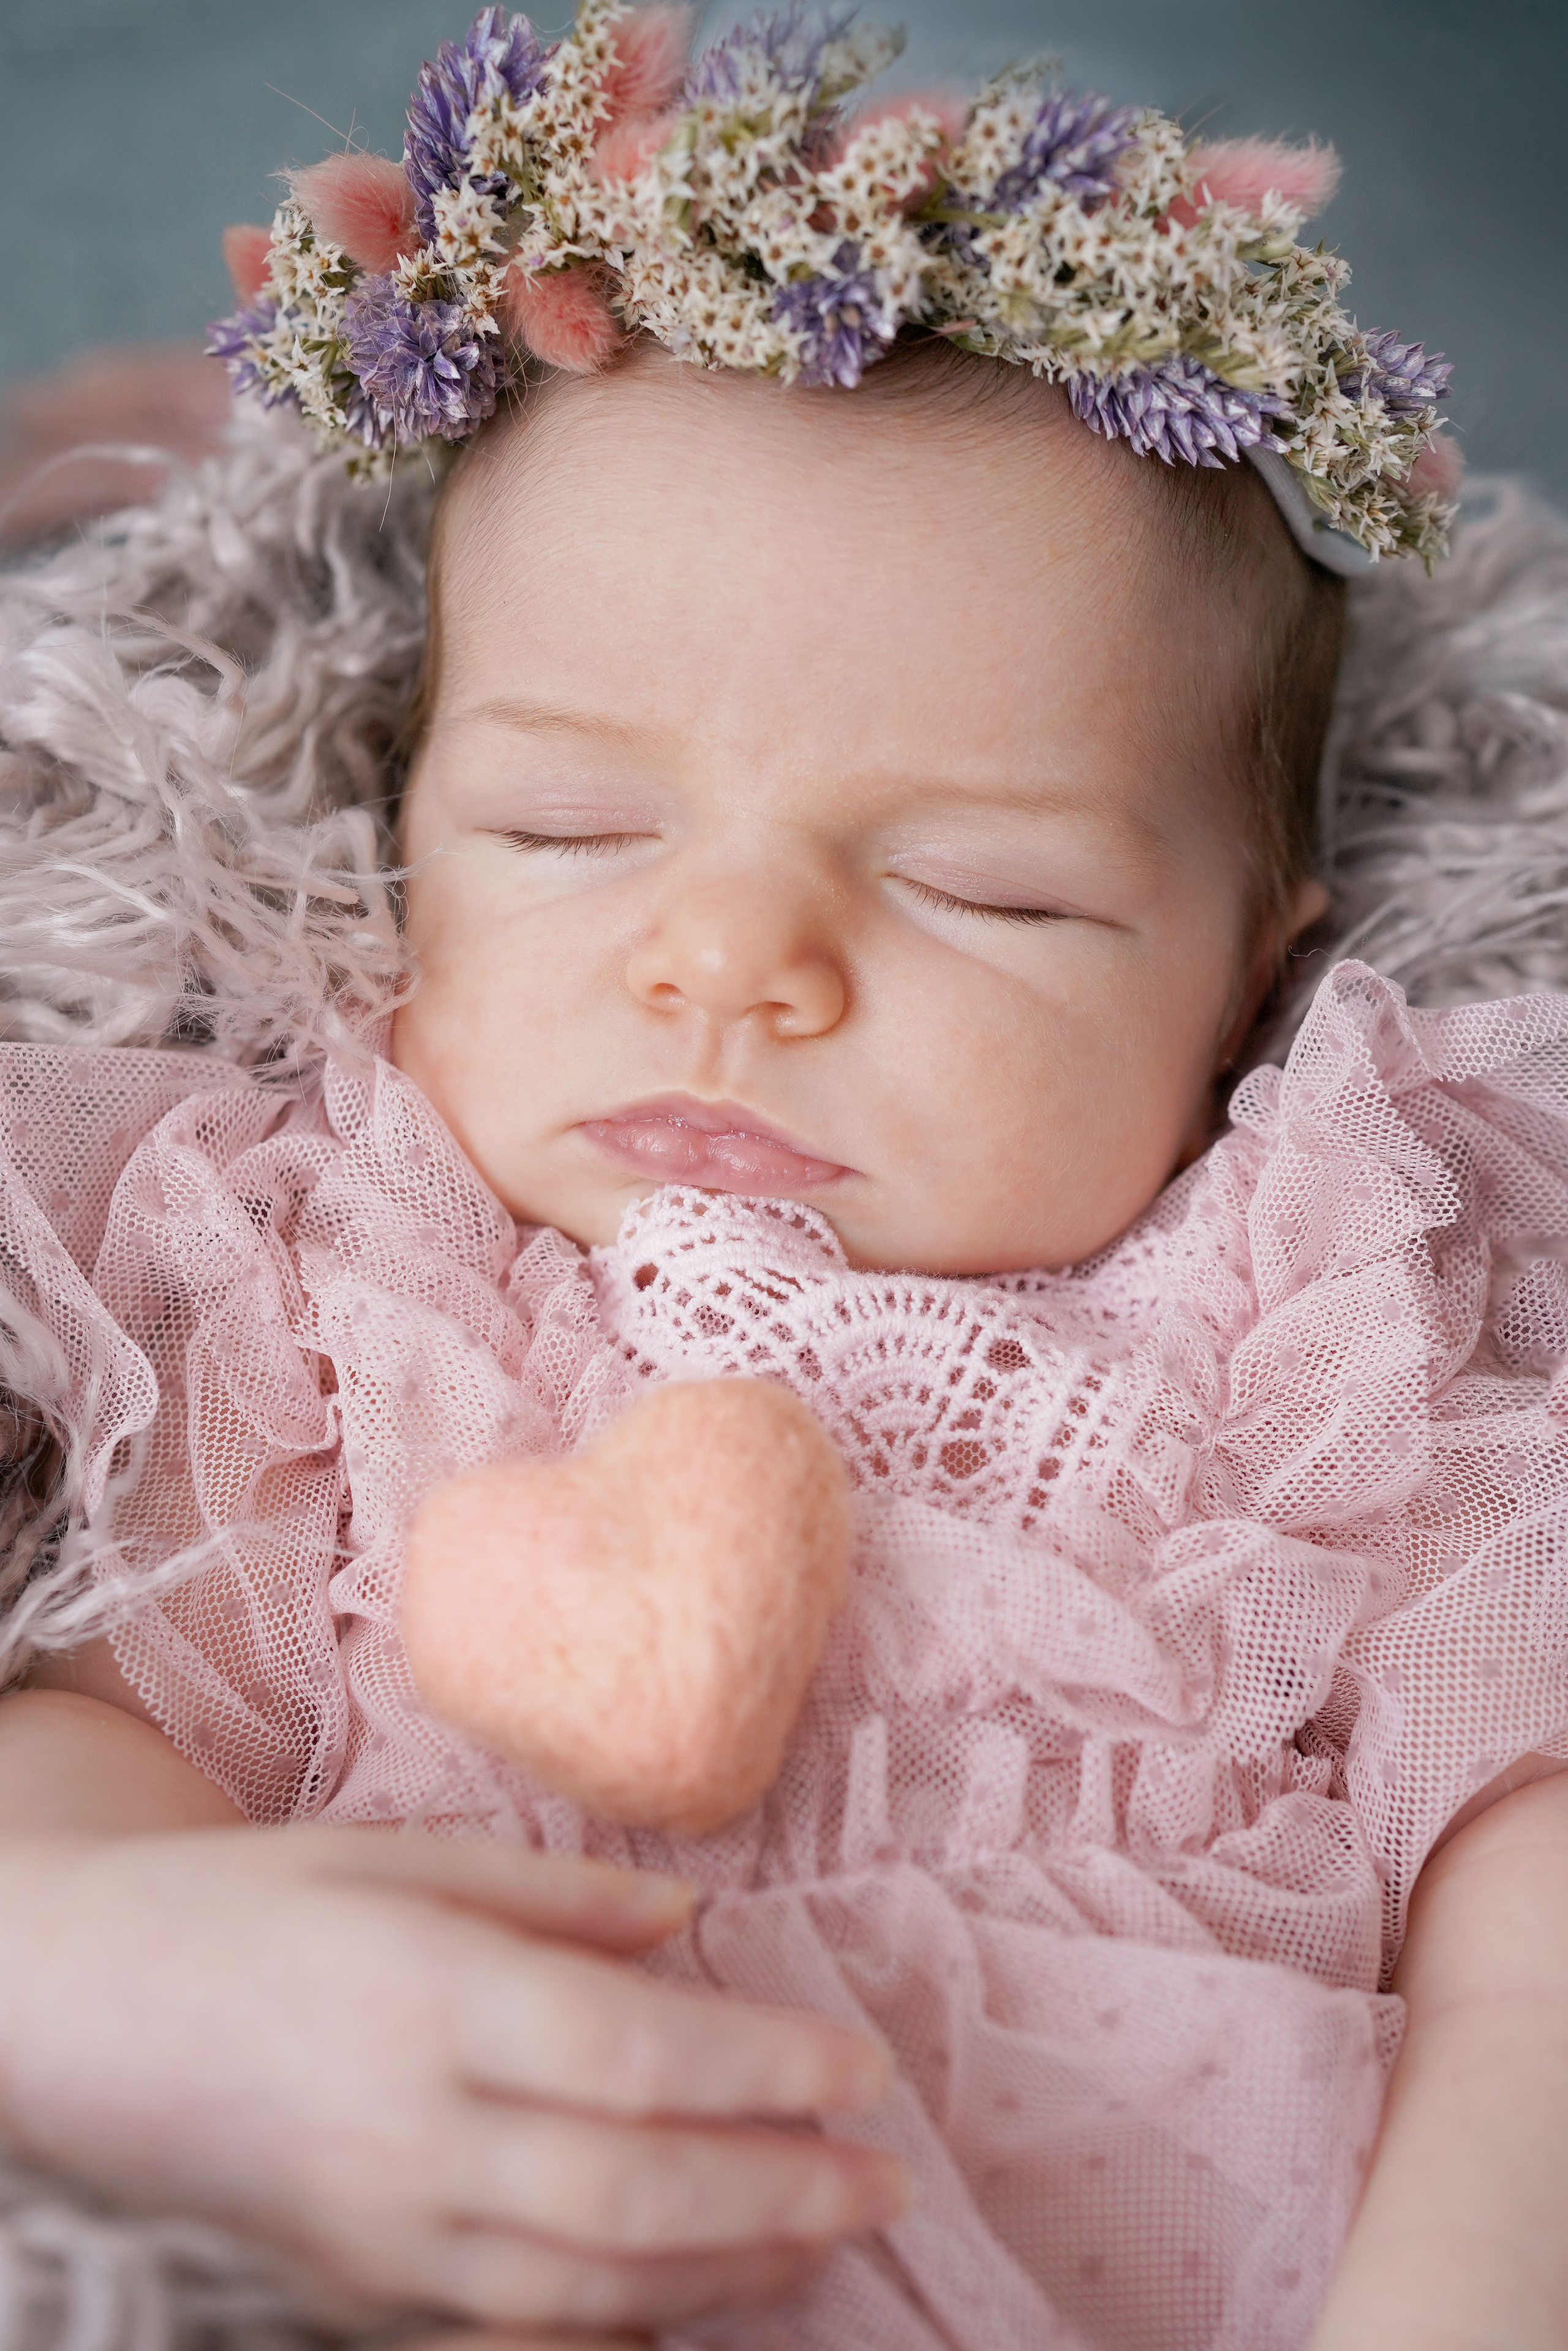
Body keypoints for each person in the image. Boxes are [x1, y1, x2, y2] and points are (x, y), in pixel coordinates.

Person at [2, 7, 1566, 2348]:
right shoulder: (346, 1277)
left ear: (1254, 964)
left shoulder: (1313, 1299)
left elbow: (1525, 1873)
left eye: (984, 887)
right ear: (402, 837)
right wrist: (130, 1996)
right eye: (573, 834)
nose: (732, 962)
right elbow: (91, 1741)